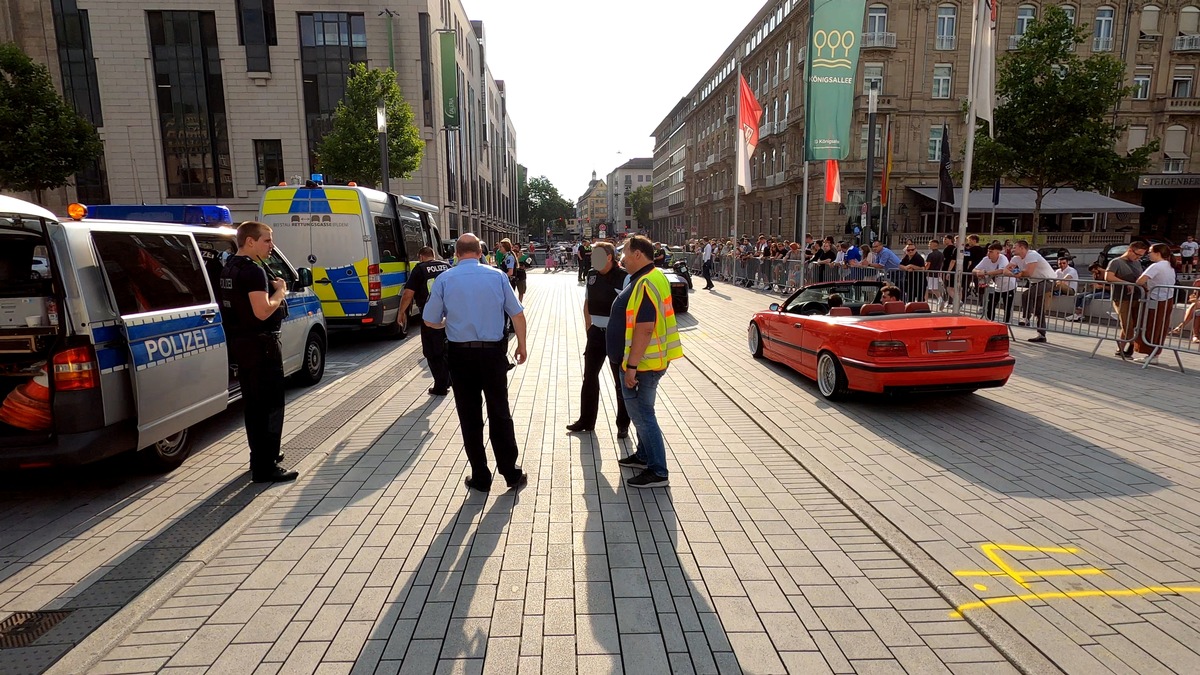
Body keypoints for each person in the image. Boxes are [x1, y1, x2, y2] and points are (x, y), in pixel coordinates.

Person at [423, 234, 529, 493]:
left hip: (460, 356)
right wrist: (522, 346)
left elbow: (429, 320)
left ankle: (480, 476)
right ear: (480, 252)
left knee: (470, 416)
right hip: (493, 355)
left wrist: (447, 324)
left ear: (457, 254)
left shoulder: (444, 279)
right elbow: (517, 313)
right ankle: (511, 473)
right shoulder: (497, 276)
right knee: (499, 413)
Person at [219, 221, 297, 483]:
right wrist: (280, 292)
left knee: (253, 405)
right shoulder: (253, 272)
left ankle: (260, 457)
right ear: (249, 241)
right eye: (266, 240)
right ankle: (267, 465)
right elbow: (262, 311)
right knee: (271, 405)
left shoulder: (229, 267)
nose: (271, 245)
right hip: (262, 346)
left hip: (242, 345)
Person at [611, 236, 683, 489]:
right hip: (651, 361)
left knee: (643, 416)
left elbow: (644, 328)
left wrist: (631, 367)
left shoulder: (645, 283)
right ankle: (644, 456)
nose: (622, 258)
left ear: (638, 254)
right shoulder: (654, 276)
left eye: (625, 254)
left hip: (644, 365)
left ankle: (657, 470)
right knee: (642, 413)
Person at [566, 242, 631, 438]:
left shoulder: (624, 277)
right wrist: (589, 329)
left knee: (619, 380)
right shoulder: (592, 275)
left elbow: (629, 310)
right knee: (589, 377)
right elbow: (587, 304)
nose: (592, 258)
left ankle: (622, 423)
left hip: (616, 334)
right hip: (596, 332)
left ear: (609, 257)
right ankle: (586, 420)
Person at [399, 247, 451, 395]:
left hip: (430, 315)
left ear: (421, 257)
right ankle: (448, 379)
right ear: (433, 255)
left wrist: (401, 312)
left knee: (432, 351)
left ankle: (441, 386)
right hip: (450, 314)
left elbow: (408, 294)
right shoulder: (447, 266)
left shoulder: (420, 269)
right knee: (447, 347)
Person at [1134, 243, 1178, 364]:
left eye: (1150, 252)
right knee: (1160, 327)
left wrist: (1146, 287)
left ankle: (1151, 352)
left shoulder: (1156, 266)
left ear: (1157, 253)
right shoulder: (1170, 265)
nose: (1148, 254)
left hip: (1156, 299)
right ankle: (1155, 353)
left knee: (1151, 326)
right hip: (1168, 299)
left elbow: (1139, 281)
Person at [1105, 239, 1147, 358]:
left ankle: (1121, 348)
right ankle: (1132, 343)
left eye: (1141, 256)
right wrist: (1125, 283)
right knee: (1127, 323)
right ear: (1130, 250)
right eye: (1137, 254)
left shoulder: (1137, 263)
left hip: (1137, 297)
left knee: (1133, 323)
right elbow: (1108, 277)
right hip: (1121, 297)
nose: (1138, 258)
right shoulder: (1116, 262)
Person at [1009, 240, 1055, 343]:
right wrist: (1016, 273)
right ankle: (1042, 335)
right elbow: (1006, 269)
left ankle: (1026, 318)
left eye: (1015, 247)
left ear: (1022, 248)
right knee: (1039, 308)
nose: (1012, 249)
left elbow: (1028, 273)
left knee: (1026, 294)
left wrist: (1017, 273)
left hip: (1047, 281)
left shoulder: (1032, 255)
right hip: (1036, 282)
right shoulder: (1015, 258)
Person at [973, 242, 1017, 323]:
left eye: (991, 252)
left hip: (1008, 286)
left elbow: (1001, 270)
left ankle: (1006, 324)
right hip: (996, 286)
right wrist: (979, 271)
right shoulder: (985, 259)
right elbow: (974, 269)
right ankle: (990, 321)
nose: (988, 254)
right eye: (988, 251)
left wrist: (986, 273)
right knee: (990, 304)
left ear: (998, 253)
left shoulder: (1002, 258)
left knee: (1007, 307)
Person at [924, 239, 944, 307]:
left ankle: (925, 302)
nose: (929, 245)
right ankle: (940, 299)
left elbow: (928, 264)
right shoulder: (941, 254)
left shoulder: (931, 254)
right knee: (934, 288)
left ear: (935, 245)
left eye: (930, 244)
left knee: (925, 288)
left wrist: (924, 270)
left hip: (929, 273)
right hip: (935, 273)